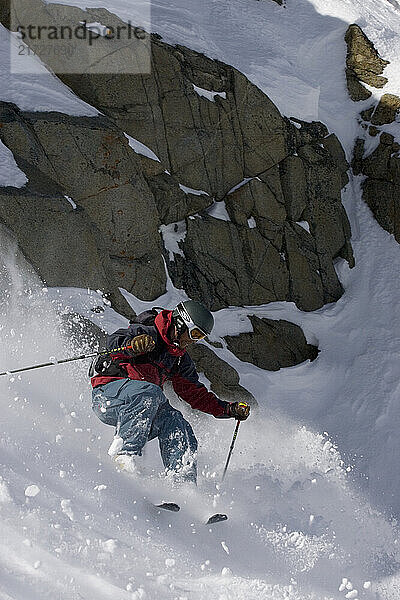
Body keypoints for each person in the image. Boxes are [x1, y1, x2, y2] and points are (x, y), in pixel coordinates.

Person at [91, 300, 250, 485]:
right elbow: (114, 342)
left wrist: (228, 409)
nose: (193, 340)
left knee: (176, 421)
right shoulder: (147, 331)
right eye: (194, 333)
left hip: (142, 405)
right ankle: (125, 456)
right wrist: (133, 344)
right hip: (108, 395)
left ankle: (182, 485)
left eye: (200, 337)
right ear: (182, 323)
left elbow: (195, 394)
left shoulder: (179, 359)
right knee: (151, 392)